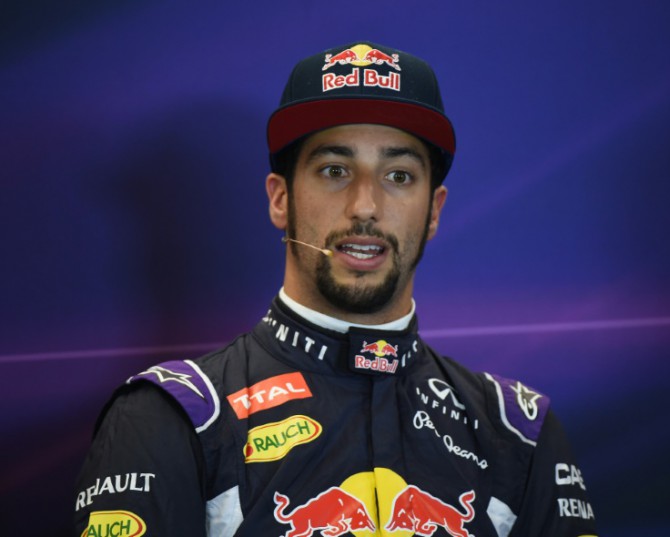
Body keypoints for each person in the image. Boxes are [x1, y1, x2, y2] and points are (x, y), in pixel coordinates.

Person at [73, 42, 598, 537]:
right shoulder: (172, 416)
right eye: (334, 170)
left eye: (398, 175)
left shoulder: (518, 432)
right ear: (281, 199)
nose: (365, 206)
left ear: (434, 210)